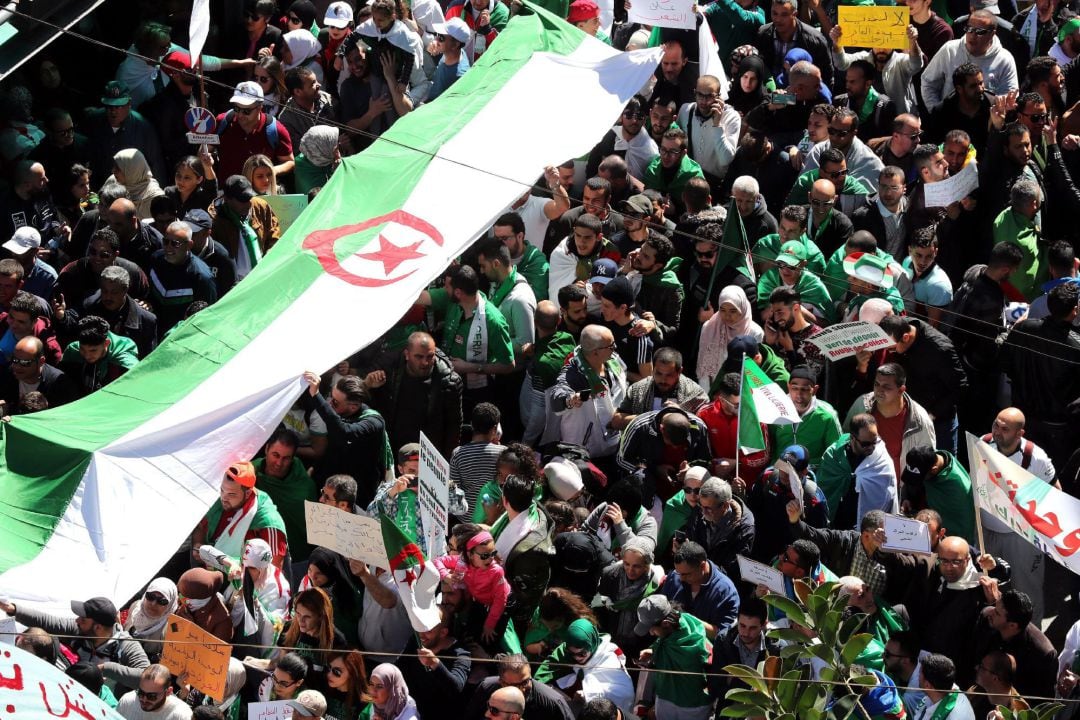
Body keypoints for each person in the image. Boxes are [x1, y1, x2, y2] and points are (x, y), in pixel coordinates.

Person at [364, 330, 463, 457]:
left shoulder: (448, 381)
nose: (425, 362)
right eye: (419, 357)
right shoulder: (388, 368)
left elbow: (454, 427)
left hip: (428, 454)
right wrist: (367, 385)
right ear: (407, 354)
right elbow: (357, 394)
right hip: (393, 448)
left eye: (429, 356)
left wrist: (449, 461)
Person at [191, 460, 288, 568]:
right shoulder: (218, 502)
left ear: (248, 493)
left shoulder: (268, 522)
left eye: (231, 494)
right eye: (222, 490)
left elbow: (273, 570)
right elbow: (200, 527)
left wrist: (228, 565)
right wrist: (198, 545)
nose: (224, 498)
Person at [534, 618, 635, 717]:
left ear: (591, 645)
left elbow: (625, 694)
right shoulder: (565, 650)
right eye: (572, 654)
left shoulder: (608, 659)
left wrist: (588, 694)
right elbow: (545, 672)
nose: (577, 658)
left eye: (582, 653)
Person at [921, 10, 1019, 111]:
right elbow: (928, 82)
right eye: (969, 29)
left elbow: (1009, 95)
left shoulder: (1005, 59)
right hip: (948, 121)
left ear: (992, 34)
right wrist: (936, 110)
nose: (972, 35)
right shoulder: (950, 50)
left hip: (987, 122)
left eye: (979, 32)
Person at [634, 595, 712, 720]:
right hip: (667, 696)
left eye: (652, 629)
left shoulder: (688, 649)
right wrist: (653, 650)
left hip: (689, 707)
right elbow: (663, 642)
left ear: (666, 623)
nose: (650, 633)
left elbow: (666, 649)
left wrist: (655, 653)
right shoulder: (683, 618)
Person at [816, 414, 899, 529]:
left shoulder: (881, 458)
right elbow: (823, 490)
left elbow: (889, 490)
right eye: (865, 444)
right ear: (852, 438)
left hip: (871, 527)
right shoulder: (833, 456)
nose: (871, 447)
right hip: (839, 522)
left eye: (875, 442)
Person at [973, 589, 1057, 699]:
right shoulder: (987, 619)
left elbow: (1041, 701)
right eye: (995, 607)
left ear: (1012, 625)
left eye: (997, 613)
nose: (991, 612)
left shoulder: (1042, 655)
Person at [215, 80, 295, 181]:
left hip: (261, 193)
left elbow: (289, 162)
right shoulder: (222, 122)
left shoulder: (275, 129)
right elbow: (206, 148)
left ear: (260, 107)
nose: (240, 115)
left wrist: (272, 171)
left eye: (246, 111)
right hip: (227, 192)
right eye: (236, 109)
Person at [660, 540, 739, 640]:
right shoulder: (674, 577)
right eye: (679, 572)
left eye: (686, 574)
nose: (681, 579)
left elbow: (721, 635)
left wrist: (687, 620)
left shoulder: (725, 592)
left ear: (702, 566)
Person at [465, 653, 575, 720]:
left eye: (525, 682)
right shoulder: (486, 688)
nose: (522, 689)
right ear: (501, 682)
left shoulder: (552, 703)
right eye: (514, 685)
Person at [121, 579, 177, 665]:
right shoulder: (136, 607)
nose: (153, 603)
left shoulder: (172, 627)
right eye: (150, 596)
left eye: (161, 601)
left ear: (170, 604)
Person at [116, 664, 192, 720]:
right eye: (141, 692)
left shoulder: (182, 715)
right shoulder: (127, 701)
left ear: (168, 692)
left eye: (151, 696)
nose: (144, 699)